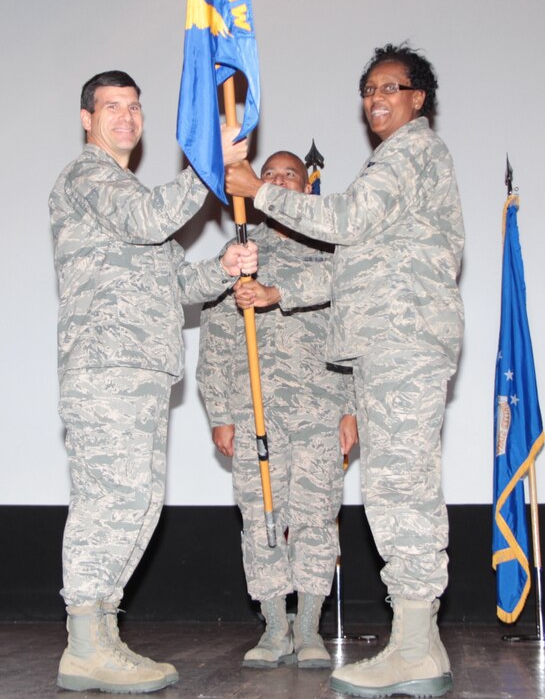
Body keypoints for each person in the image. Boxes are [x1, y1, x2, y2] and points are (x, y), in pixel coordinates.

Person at [226, 44, 464, 698]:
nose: (376, 97)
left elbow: (348, 221)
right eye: (366, 89)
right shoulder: (396, 163)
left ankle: (414, 647)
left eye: (391, 86)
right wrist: (281, 293)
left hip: (402, 340)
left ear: (418, 99)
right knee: (397, 488)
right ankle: (420, 644)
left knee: (399, 491)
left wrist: (257, 192)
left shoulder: (410, 152)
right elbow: (346, 264)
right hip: (388, 344)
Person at [49, 70, 257, 694]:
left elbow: (177, 285)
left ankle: (101, 637)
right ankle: (83, 643)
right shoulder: (87, 178)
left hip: (141, 371)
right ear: (87, 118)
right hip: (105, 367)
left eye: (135, 107)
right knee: (108, 502)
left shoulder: (130, 189)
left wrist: (221, 268)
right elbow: (146, 219)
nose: (127, 118)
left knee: (137, 504)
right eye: (113, 107)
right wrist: (208, 167)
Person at [197, 151, 358, 670]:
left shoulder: (330, 254)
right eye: (268, 174)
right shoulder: (241, 252)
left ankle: (309, 627)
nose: (279, 180)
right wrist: (220, 411)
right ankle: (273, 627)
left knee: (316, 519)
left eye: (289, 175)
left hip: (320, 410)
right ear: (255, 187)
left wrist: (351, 408)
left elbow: (351, 335)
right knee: (261, 519)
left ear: (306, 188)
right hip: (255, 413)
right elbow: (218, 338)